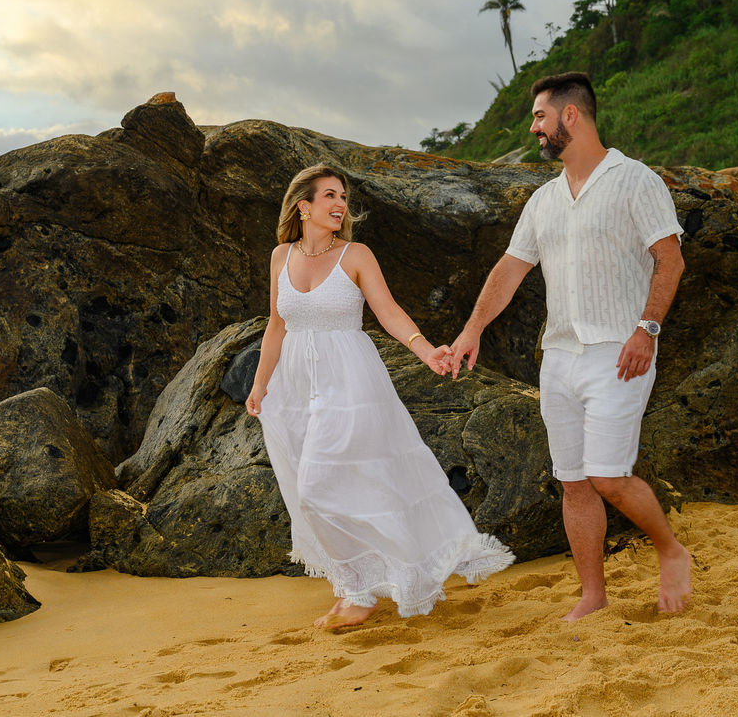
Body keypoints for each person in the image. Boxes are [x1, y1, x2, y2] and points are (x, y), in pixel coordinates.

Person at [449, 71, 692, 621]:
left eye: (540, 116)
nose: (534, 126)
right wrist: (472, 330)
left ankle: (671, 550)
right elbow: (510, 270)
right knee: (575, 482)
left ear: (571, 116)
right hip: (558, 358)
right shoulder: (543, 200)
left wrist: (647, 328)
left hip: (620, 353)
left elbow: (670, 257)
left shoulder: (636, 180)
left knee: (608, 476)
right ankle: (593, 595)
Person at [246, 164, 515, 629]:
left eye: (343, 197)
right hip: (295, 386)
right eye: (329, 195)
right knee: (313, 488)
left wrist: (427, 351)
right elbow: (276, 325)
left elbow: (388, 311)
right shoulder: (279, 257)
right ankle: (354, 586)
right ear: (302, 206)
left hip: (349, 384)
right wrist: (259, 382)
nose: (340, 204)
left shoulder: (356, 254)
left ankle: (361, 593)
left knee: (317, 487)